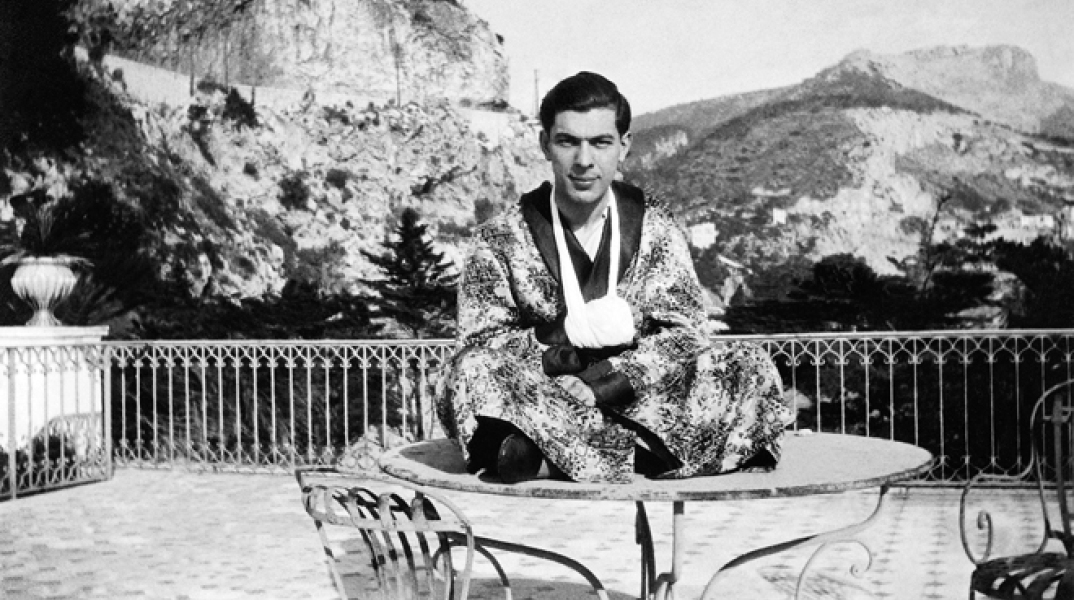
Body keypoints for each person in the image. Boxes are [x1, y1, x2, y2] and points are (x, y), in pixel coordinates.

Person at [436, 71, 792, 484]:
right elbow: (482, 342)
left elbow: (685, 334)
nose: (584, 161)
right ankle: (644, 456)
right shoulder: (499, 238)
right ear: (545, 144)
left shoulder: (654, 225)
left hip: (638, 395)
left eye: (600, 142)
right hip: (547, 391)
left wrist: (605, 382)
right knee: (467, 370)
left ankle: (547, 456)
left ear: (624, 146)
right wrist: (563, 344)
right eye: (568, 142)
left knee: (748, 365)